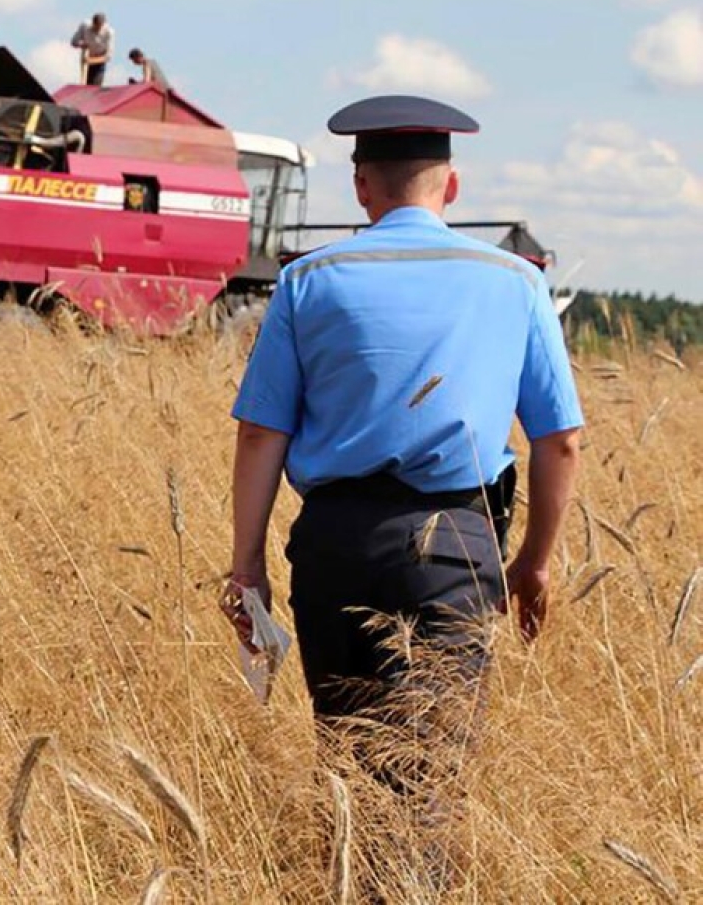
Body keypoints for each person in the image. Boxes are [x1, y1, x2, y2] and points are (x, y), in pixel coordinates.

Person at [221, 96, 583, 881]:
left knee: (348, 760)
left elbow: (259, 435)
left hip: (333, 547)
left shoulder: (307, 281)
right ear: (450, 188)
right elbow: (560, 441)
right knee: (432, 771)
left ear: (360, 188)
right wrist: (533, 562)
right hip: (457, 546)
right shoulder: (516, 282)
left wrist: (246, 569)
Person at [70, 12, 114, 86]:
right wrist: (81, 44)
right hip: (86, 58)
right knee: (85, 84)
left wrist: (91, 61)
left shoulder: (109, 32)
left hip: (99, 61)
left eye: (99, 27)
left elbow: (108, 57)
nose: (97, 29)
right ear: (93, 22)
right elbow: (73, 42)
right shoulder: (85, 26)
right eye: (95, 26)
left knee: (95, 87)